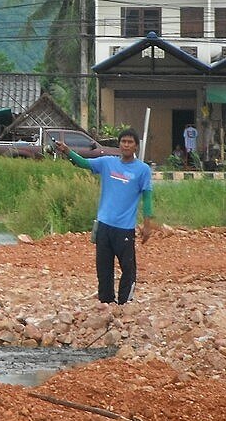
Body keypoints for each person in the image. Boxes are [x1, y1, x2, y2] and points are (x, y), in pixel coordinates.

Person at [54, 128, 155, 304]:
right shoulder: (107, 163)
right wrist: (67, 152)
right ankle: (106, 303)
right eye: (123, 141)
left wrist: (147, 224)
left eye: (130, 142)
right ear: (119, 144)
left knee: (128, 269)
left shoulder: (142, 170)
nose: (126, 145)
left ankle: (125, 303)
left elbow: (147, 197)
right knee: (104, 269)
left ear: (136, 146)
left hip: (125, 229)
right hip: (104, 226)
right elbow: (83, 163)